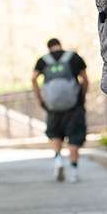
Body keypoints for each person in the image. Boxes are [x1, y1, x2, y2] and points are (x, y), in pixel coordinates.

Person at [31, 37, 88, 183]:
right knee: (74, 138)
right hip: (74, 106)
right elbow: (85, 79)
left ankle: (58, 160)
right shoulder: (74, 57)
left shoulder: (43, 61)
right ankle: (74, 172)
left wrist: (40, 98)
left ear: (49, 47)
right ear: (60, 45)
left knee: (55, 134)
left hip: (53, 107)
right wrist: (82, 97)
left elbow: (33, 79)